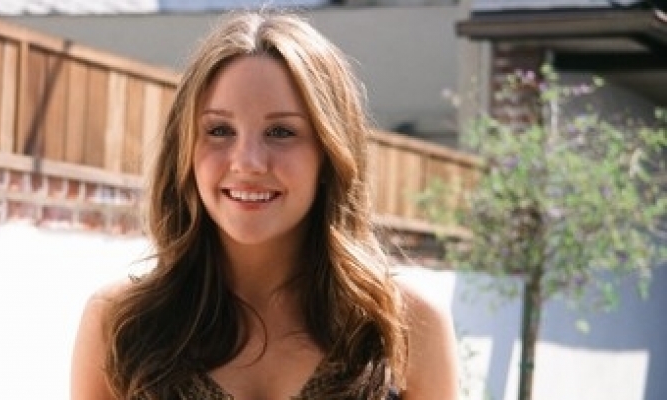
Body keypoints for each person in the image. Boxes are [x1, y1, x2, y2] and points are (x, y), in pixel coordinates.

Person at [70, 10, 459, 400]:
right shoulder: (120, 323)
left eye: (281, 132)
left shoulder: (405, 325)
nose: (248, 162)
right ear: (184, 150)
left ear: (329, 154)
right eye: (219, 130)